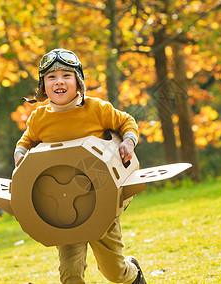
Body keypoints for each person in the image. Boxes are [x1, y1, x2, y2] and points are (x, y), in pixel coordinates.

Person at [14, 48, 147, 284]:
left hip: (101, 199)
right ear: (43, 87)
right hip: (63, 209)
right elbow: (26, 141)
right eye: (51, 77)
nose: (59, 82)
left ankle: (133, 274)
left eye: (66, 75)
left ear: (79, 82)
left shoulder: (96, 109)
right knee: (70, 274)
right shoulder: (38, 118)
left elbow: (126, 121)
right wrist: (20, 154)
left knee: (114, 271)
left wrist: (129, 141)